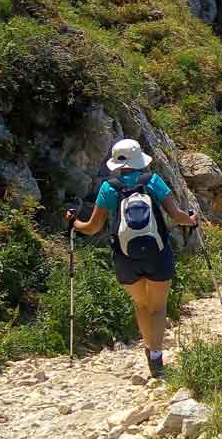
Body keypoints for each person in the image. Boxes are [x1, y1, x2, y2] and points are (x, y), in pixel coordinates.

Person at [65, 139, 199, 379]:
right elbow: (178, 216)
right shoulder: (153, 181)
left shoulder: (109, 188)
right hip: (158, 253)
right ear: (140, 160)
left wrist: (74, 222)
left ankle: (150, 348)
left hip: (125, 257)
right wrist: (192, 219)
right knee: (158, 307)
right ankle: (156, 358)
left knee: (141, 305)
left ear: (117, 162)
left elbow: (93, 227)